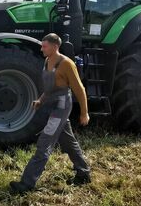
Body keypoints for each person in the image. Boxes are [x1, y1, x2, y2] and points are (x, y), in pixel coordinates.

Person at [9, 33, 91, 193]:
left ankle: (26, 184)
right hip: (51, 104)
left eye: (44, 46)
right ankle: (84, 172)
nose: (41, 49)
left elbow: (79, 89)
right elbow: (50, 87)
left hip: (61, 106)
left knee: (44, 142)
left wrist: (84, 113)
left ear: (55, 47)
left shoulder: (67, 64)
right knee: (67, 141)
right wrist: (40, 100)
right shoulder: (47, 61)